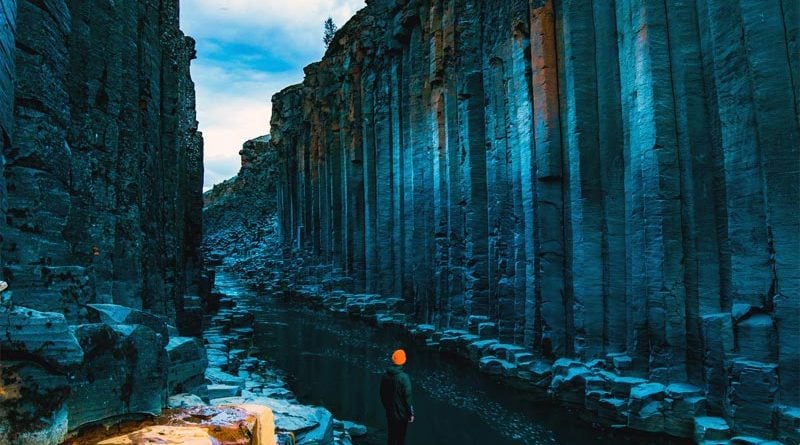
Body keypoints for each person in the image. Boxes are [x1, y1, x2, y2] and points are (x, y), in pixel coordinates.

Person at [380, 349, 415, 445]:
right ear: (403, 361)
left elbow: (382, 395)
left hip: (390, 412)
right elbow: (408, 397)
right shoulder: (404, 377)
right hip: (402, 415)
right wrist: (410, 414)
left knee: (391, 435)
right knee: (401, 437)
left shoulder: (385, 376)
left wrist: (387, 407)